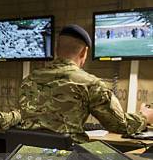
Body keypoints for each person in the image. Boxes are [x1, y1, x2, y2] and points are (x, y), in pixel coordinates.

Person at [20, 24, 153, 142]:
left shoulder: (29, 80)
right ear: (84, 52)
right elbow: (120, 126)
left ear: (56, 49)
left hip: (27, 156)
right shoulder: (90, 84)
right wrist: (145, 117)